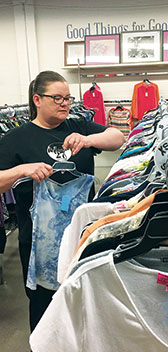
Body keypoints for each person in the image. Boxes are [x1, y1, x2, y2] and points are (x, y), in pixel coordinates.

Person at [0, 70, 125, 332]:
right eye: (57, 98)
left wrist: (88, 139)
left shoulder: (78, 126)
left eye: (68, 98)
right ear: (37, 99)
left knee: (84, 301)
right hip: (37, 241)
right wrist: (22, 170)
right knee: (44, 308)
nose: (65, 104)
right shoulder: (15, 139)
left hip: (84, 236)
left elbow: (118, 138)